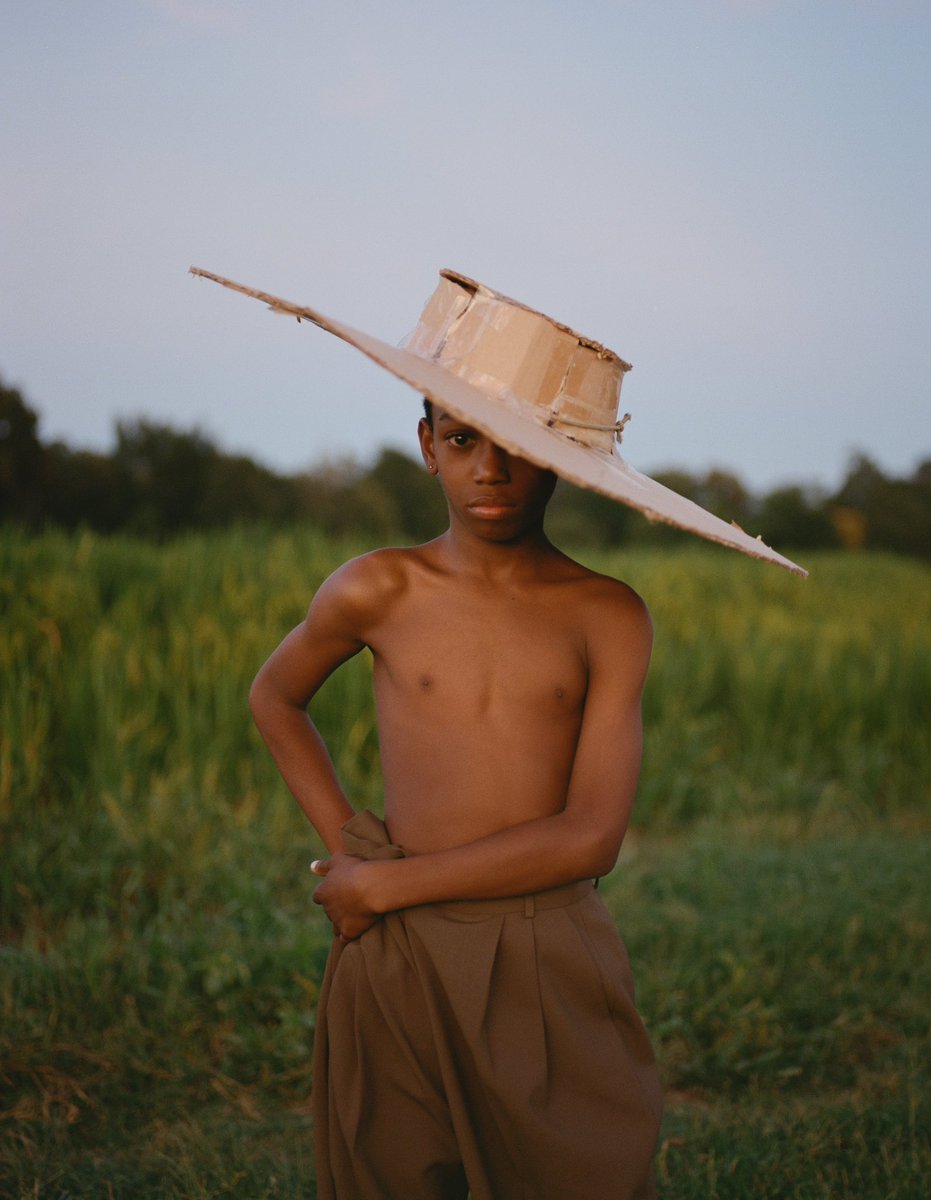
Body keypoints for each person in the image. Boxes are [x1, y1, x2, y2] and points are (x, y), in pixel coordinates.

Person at [195, 264, 804, 1199]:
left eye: (522, 446)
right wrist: (349, 853)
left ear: (563, 462)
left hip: (545, 942)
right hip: (393, 952)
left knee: (578, 1168)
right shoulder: (376, 587)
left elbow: (590, 836)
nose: (492, 469)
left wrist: (387, 886)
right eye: (465, 437)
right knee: (393, 1168)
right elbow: (275, 698)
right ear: (427, 445)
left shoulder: (608, 615)